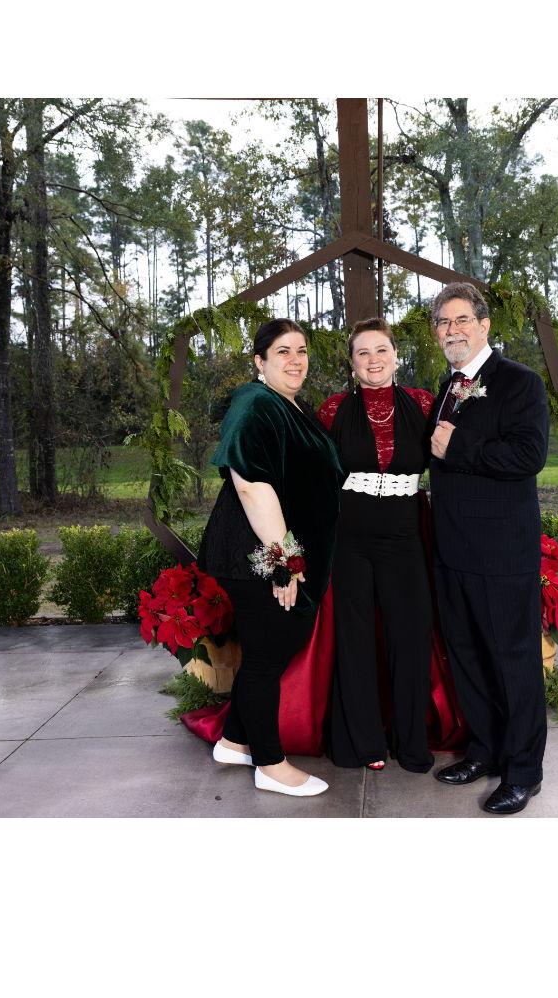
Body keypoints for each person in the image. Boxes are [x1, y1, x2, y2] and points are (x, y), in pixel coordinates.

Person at [196, 318, 345, 797]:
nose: (296, 360)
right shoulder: (256, 403)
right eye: (283, 351)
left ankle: (235, 741)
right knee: (267, 656)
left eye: (301, 350)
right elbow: (252, 486)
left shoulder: (287, 404)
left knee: (272, 649)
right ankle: (270, 763)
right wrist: (286, 561)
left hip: (277, 549)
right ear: (259, 360)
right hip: (260, 552)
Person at [428, 282, 550, 815]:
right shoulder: (448, 385)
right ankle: (483, 749)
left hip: (501, 553)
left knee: (513, 661)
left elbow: (528, 455)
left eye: (460, 320)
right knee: (468, 657)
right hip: (452, 549)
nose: (450, 330)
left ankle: (523, 771)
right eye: (442, 322)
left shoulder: (520, 382)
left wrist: (458, 445)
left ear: (484, 325)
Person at [316, 318, 436, 773]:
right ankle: (362, 742)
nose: (373, 360)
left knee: (410, 635)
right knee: (355, 637)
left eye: (381, 350)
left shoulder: (423, 403)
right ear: (352, 364)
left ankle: (411, 740)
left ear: (396, 356)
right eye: (363, 353)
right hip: (350, 536)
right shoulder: (333, 410)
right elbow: (316, 476)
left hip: (405, 535)